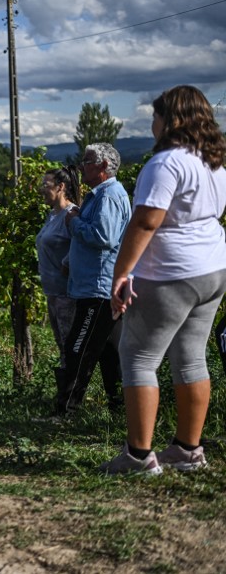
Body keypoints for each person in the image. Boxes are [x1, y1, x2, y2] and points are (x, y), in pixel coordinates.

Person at [102, 86, 226, 475]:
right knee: (191, 357)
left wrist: (122, 272)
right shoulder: (214, 162)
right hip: (212, 269)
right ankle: (188, 449)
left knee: (138, 357)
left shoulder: (166, 163)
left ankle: (138, 456)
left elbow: (146, 221)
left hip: (169, 272)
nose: (151, 123)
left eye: (155, 116)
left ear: (170, 120)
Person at [55, 143, 129, 417]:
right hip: (98, 284)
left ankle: (66, 410)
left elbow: (104, 237)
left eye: (87, 161)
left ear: (102, 167)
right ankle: (119, 410)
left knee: (78, 347)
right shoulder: (103, 194)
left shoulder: (107, 196)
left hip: (98, 287)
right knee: (108, 352)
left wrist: (73, 222)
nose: (81, 165)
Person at [36, 167, 82, 366]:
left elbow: (80, 243)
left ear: (61, 187)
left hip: (66, 294)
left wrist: (67, 263)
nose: (41, 189)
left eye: (46, 185)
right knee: (62, 347)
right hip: (52, 291)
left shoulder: (71, 215)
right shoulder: (52, 215)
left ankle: (73, 393)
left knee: (70, 346)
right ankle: (66, 392)